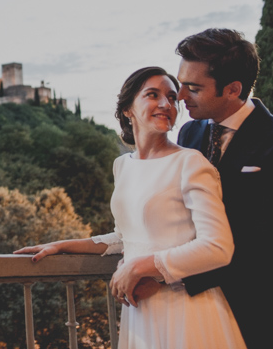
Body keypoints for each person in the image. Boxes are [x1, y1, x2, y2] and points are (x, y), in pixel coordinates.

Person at [15, 66, 247, 349]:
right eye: (153, 95)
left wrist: (139, 267)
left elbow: (217, 247)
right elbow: (127, 237)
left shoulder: (191, 162)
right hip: (140, 312)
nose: (166, 104)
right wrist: (62, 245)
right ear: (127, 108)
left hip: (186, 309)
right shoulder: (122, 165)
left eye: (172, 98)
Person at [174, 28, 273, 349]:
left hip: (267, 317)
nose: (181, 96)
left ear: (233, 89)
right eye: (181, 83)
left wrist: (172, 275)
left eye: (193, 88)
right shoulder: (188, 135)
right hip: (198, 316)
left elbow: (263, 247)